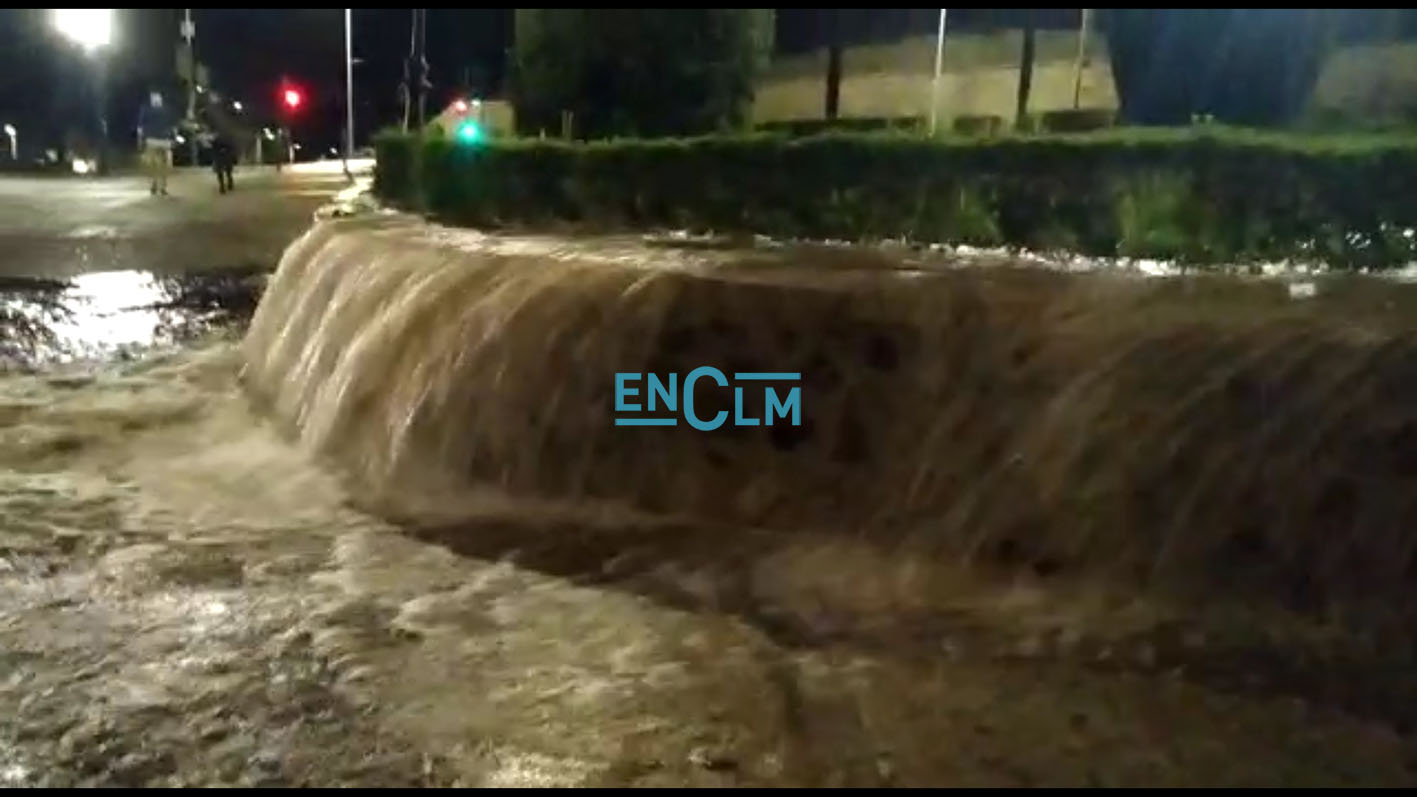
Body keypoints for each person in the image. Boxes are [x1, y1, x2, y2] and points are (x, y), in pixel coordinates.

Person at [137, 91, 176, 196]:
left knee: (153, 164)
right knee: (162, 164)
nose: (156, 99)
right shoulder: (166, 110)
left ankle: (155, 185)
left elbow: (140, 126)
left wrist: (140, 139)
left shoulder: (145, 109)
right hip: (162, 140)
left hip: (153, 139)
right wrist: (173, 138)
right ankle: (161, 186)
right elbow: (172, 126)